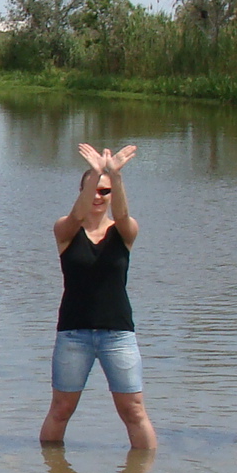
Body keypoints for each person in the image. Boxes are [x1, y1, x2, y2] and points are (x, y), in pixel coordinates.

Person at [40, 144, 156, 451]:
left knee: (133, 409)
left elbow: (123, 212)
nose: (97, 197)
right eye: (91, 189)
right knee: (61, 408)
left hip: (118, 334)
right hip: (74, 333)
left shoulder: (124, 231)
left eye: (104, 192)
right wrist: (95, 174)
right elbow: (77, 215)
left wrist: (114, 177)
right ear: (81, 190)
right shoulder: (65, 230)